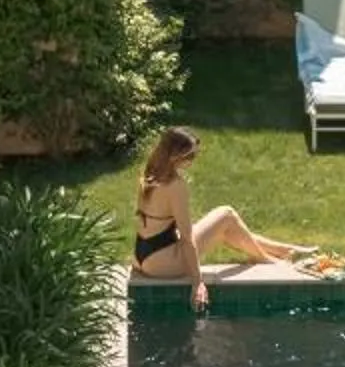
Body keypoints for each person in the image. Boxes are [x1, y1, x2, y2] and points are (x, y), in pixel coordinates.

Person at [131, 127, 306, 311]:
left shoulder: (150, 173)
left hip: (142, 255)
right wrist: (197, 283)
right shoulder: (175, 185)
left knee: (224, 226)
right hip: (163, 263)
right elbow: (187, 238)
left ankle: (281, 249)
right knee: (226, 214)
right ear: (176, 156)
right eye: (190, 156)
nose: (192, 161)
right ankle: (265, 258)